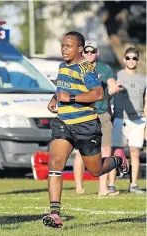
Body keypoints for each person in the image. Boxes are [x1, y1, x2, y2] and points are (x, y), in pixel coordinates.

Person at [42, 31, 129, 229]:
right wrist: (55, 99)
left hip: (86, 125)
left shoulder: (86, 69)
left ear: (80, 48)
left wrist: (70, 99)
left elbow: (98, 93)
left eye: (69, 45)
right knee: (55, 162)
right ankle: (54, 213)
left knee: (96, 170)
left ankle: (117, 159)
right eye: (63, 45)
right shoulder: (62, 66)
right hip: (63, 123)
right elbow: (62, 89)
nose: (64, 49)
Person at [73, 39, 123, 196]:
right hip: (84, 115)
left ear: (97, 53)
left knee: (106, 149)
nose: (89, 54)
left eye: (92, 51)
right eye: (86, 51)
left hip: (103, 113)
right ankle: (79, 187)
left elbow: (111, 84)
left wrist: (114, 89)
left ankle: (103, 189)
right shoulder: (77, 68)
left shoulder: (104, 68)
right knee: (82, 151)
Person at [111, 47, 146, 194]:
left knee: (135, 152)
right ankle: (111, 184)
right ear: (124, 59)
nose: (131, 60)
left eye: (134, 58)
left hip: (138, 120)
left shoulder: (143, 79)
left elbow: (146, 102)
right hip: (120, 118)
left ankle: (133, 185)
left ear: (138, 61)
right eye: (128, 58)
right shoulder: (116, 76)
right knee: (116, 152)